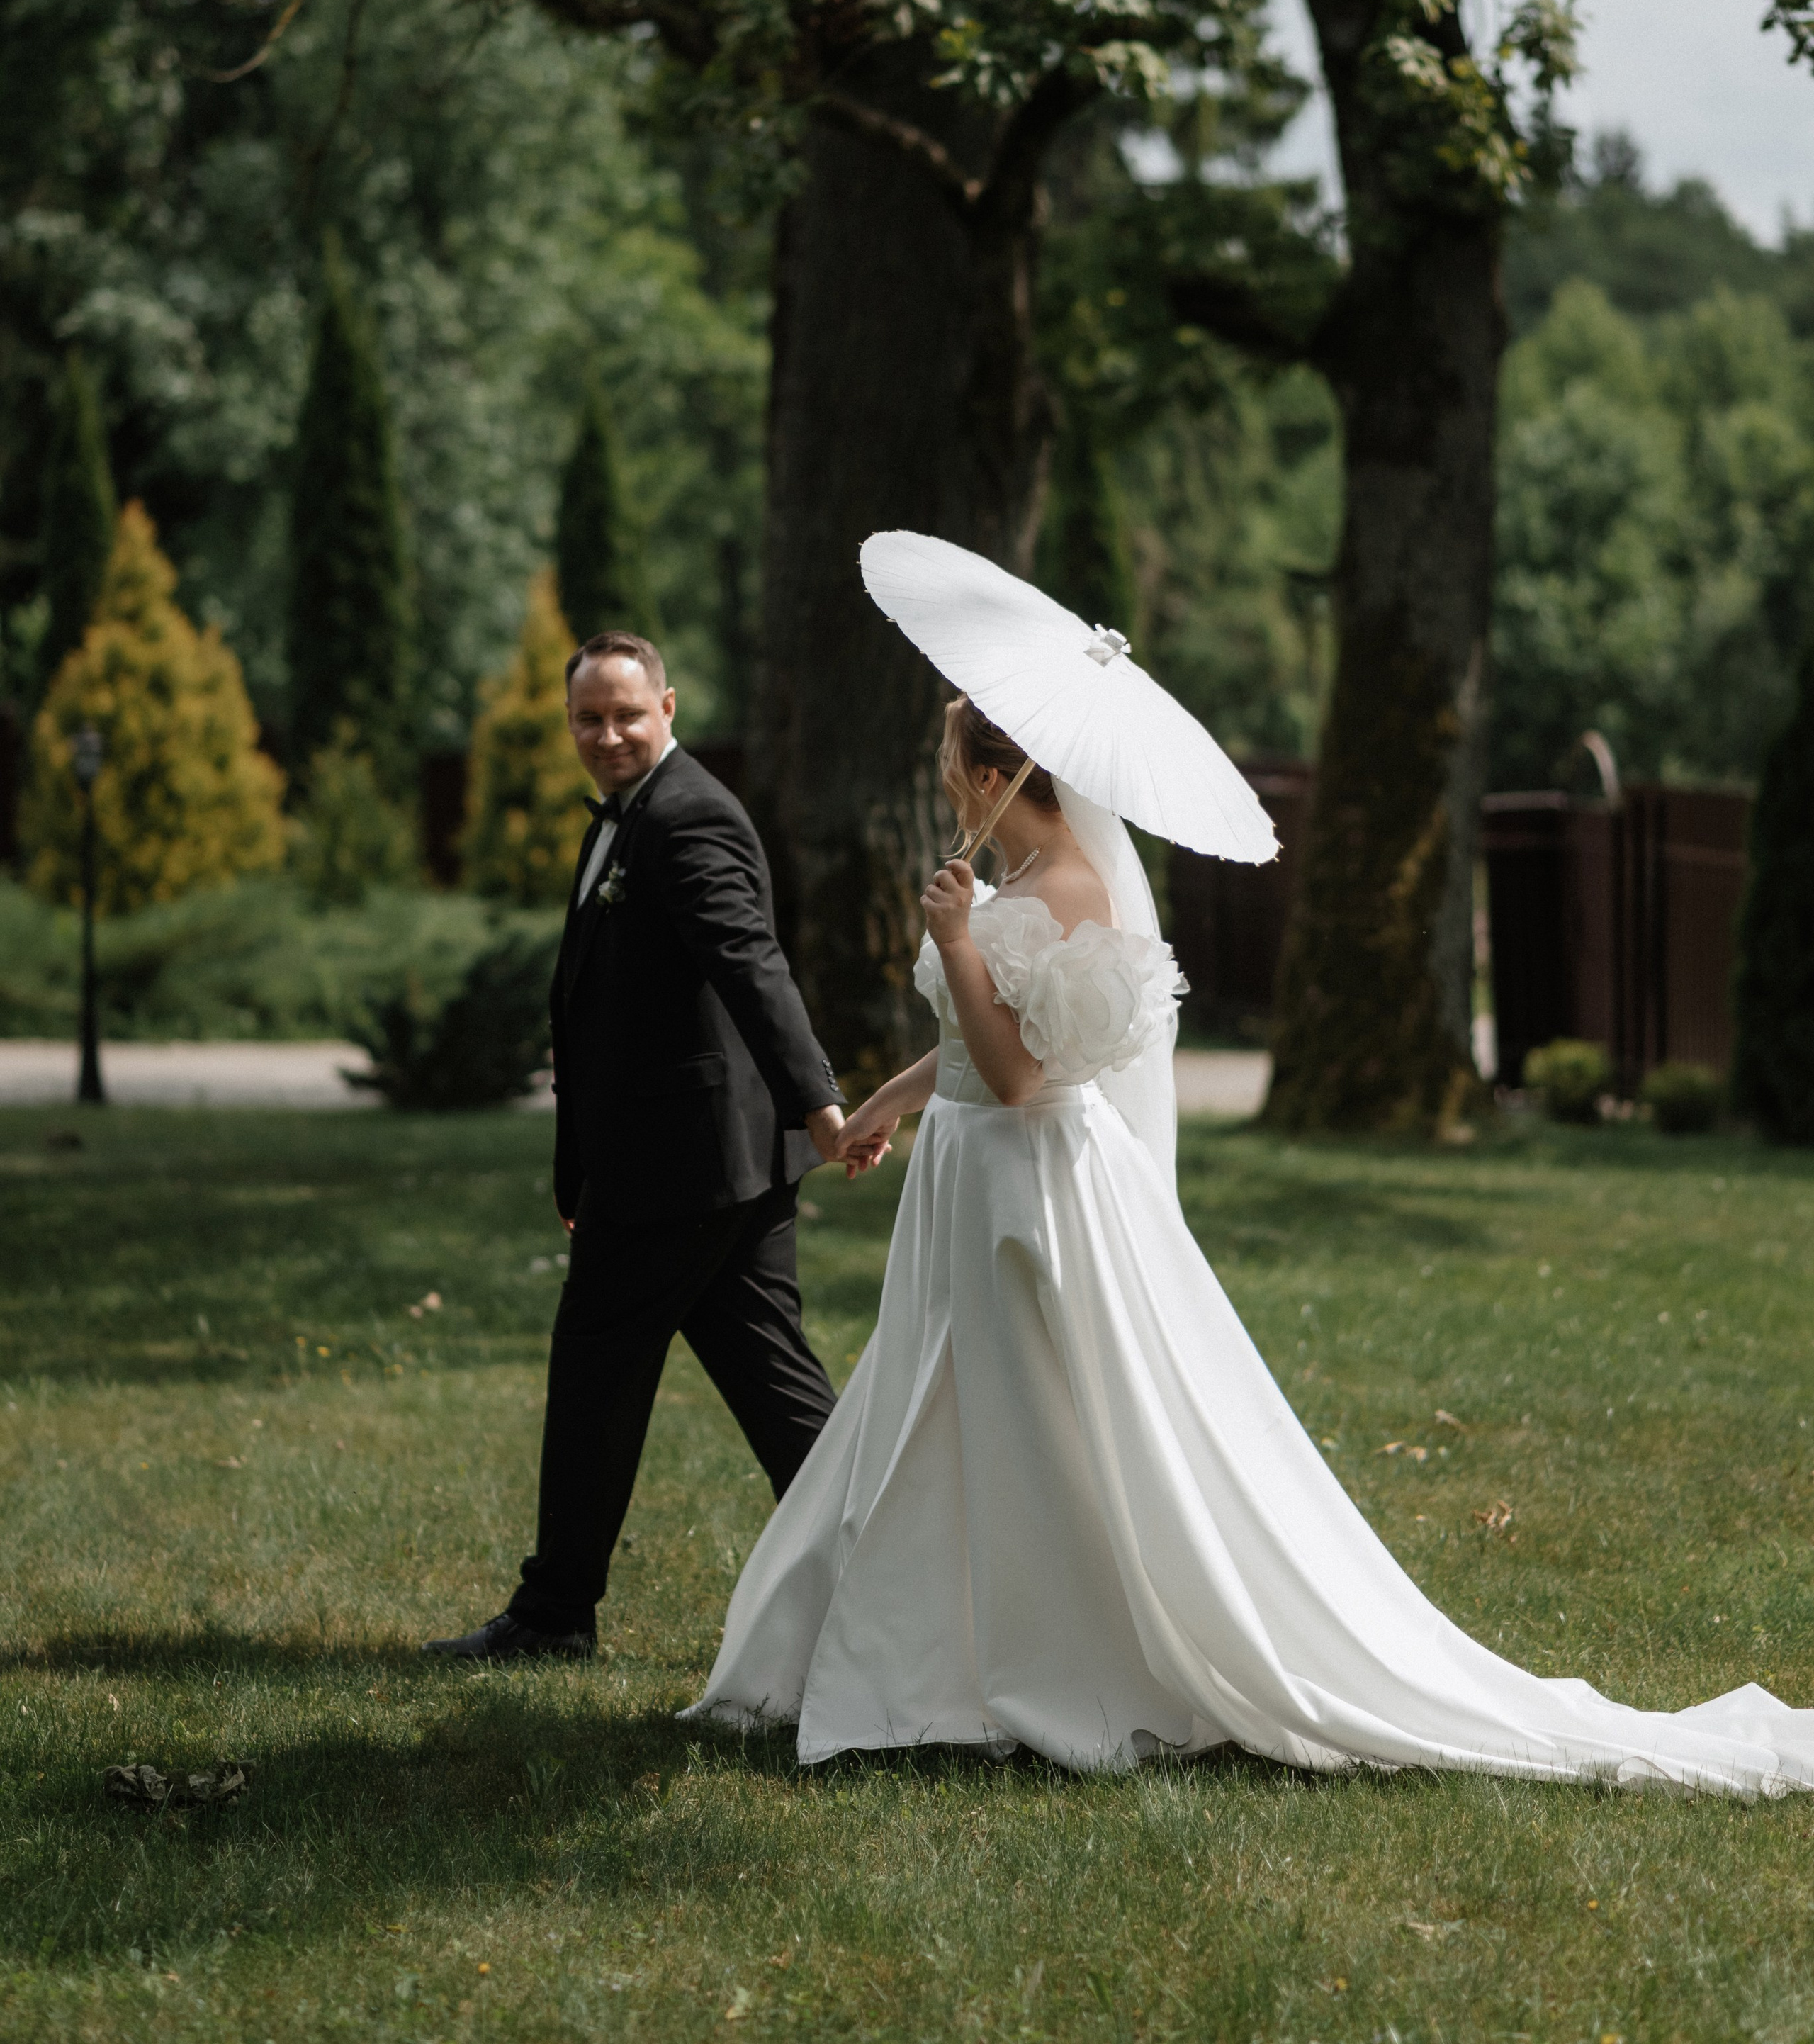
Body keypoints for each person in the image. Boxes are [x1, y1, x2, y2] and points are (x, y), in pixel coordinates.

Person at [685, 693, 1814, 1795]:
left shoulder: (1071, 889)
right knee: (939, 1397)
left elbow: (1027, 1075)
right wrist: (885, 1102)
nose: (940, 781)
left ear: (992, 776)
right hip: (964, 1178)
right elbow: (966, 1047)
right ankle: (927, 1644)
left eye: (949, 761)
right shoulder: (1006, 882)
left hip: (1031, 1188)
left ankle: (1054, 1652)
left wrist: (955, 941)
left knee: (1041, 1413)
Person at [427, 630, 860, 1662]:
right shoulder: (631, 817)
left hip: (685, 1168)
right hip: (707, 1161)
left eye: (627, 713)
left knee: (595, 1376)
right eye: (588, 718)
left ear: (669, 705)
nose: (608, 733)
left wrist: (819, 1102)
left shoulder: (689, 813)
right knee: (774, 1381)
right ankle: (890, 1569)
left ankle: (551, 1616)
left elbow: (750, 963)